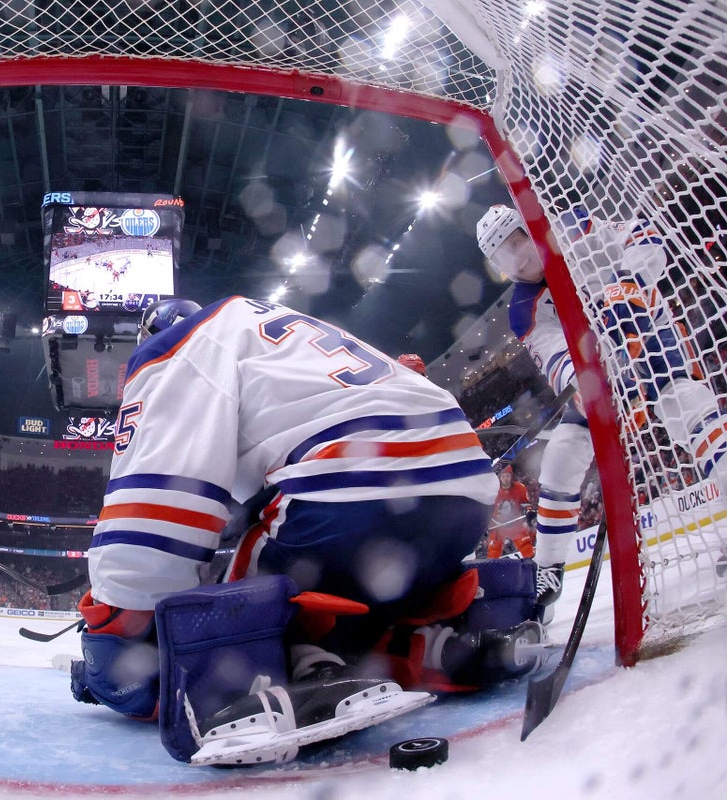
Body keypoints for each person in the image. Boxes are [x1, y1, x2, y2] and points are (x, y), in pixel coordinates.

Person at [70, 297, 543, 766]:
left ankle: (307, 670)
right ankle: (436, 646)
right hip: (463, 492)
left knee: (235, 604)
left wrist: (116, 633)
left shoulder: (178, 347)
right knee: (340, 581)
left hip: (356, 484)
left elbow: (154, 518)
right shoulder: (275, 328)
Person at [476, 204, 727, 621]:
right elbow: (554, 356)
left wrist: (630, 283)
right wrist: (580, 381)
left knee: (691, 410)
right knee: (561, 457)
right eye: (504, 256)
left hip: (651, 342)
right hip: (602, 374)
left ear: (527, 225)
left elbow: (645, 234)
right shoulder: (523, 309)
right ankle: (549, 569)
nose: (517, 258)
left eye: (517, 242)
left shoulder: (576, 226)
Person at [487, 463, 535, 559]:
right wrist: (485, 522)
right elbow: (487, 507)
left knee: (527, 548)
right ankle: (492, 572)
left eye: (508, 476)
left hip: (515, 524)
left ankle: (534, 568)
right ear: (500, 477)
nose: (506, 478)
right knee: (493, 553)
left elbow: (525, 503)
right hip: (497, 526)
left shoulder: (520, 488)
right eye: (503, 476)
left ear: (511, 476)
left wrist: (528, 511)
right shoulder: (493, 490)